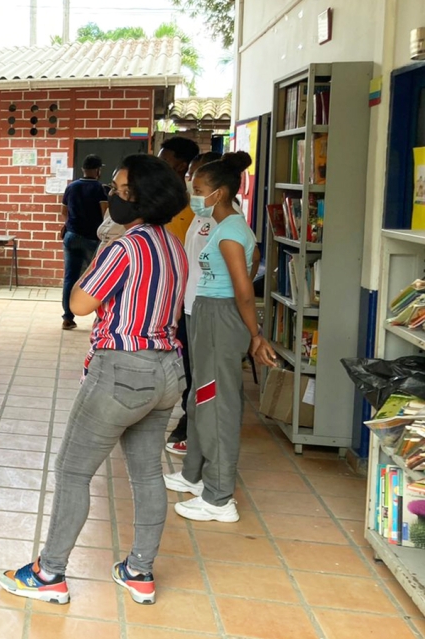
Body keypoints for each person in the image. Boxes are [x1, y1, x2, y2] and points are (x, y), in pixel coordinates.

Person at [0, 154, 188, 607]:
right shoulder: (173, 245)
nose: (110, 196)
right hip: (166, 371)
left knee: (72, 471)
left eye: (118, 189)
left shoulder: (125, 247)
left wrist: (104, 246)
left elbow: (81, 303)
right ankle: (139, 571)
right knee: (146, 475)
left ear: (138, 197)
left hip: (122, 371)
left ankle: (49, 574)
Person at [164, 152, 276, 523]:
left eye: (199, 189)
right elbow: (254, 256)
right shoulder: (224, 225)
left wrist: (255, 335)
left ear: (220, 193)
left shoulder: (230, 232)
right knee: (200, 399)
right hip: (206, 313)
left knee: (218, 405)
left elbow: (244, 291)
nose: (193, 195)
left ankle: (218, 497)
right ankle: (195, 475)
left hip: (221, 316)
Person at [165, 151, 221, 454]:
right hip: (188, 304)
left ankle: (196, 431)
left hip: (208, 307)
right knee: (190, 368)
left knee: (203, 372)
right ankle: (194, 427)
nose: (191, 189)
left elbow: (241, 269)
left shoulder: (224, 222)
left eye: (197, 186)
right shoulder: (201, 216)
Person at [60, 154, 109, 330]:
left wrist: (70, 225)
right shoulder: (99, 189)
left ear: (83, 169)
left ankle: (67, 318)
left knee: (70, 278)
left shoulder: (71, 187)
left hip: (71, 237)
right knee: (96, 278)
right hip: (92, 239)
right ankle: (101, 320)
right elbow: (105, 214)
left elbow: (64, 212)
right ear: (98, 170)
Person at [156, 136, 201, 244]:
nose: (158, 166)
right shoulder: (153, 199)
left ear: (181, 166)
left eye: (164, 161)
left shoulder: (196, 206)